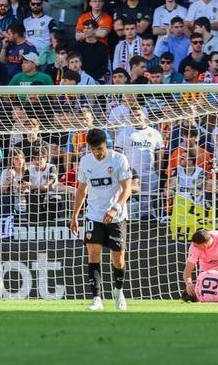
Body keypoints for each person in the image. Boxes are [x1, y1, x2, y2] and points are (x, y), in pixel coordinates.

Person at [69, 128, 130, 312]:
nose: (98, 152)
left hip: (116, 216)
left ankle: (118, 292)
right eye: (94, 149)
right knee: (93, 255)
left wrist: (115, 207)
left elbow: (127, 189)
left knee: (118, 260)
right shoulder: (85, 161)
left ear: (107, 144)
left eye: (100, 148)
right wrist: (74, 216)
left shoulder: (119, 159)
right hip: (93, 215)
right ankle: (97, 298)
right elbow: (81, 190)